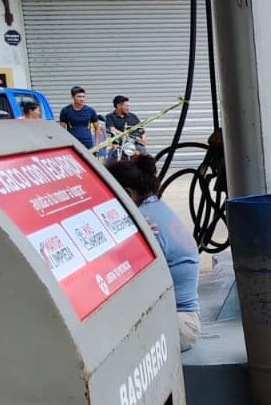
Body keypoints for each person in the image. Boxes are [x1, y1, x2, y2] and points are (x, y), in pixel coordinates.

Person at [104, 155, 203, 352]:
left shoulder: (145, 224)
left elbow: (119, 281)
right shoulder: (156, 210)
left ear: (127, 194)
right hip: (184, 319)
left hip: (177, 324)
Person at [58, 86, 103, 151]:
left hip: (88, 144)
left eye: (83, 96)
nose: (82, 99)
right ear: (72, 97)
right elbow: (61, 129)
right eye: (79, 96)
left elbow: (97, 128)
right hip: (72, 144)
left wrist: (97, 145)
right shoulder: (66, 110)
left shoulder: (90, 110)